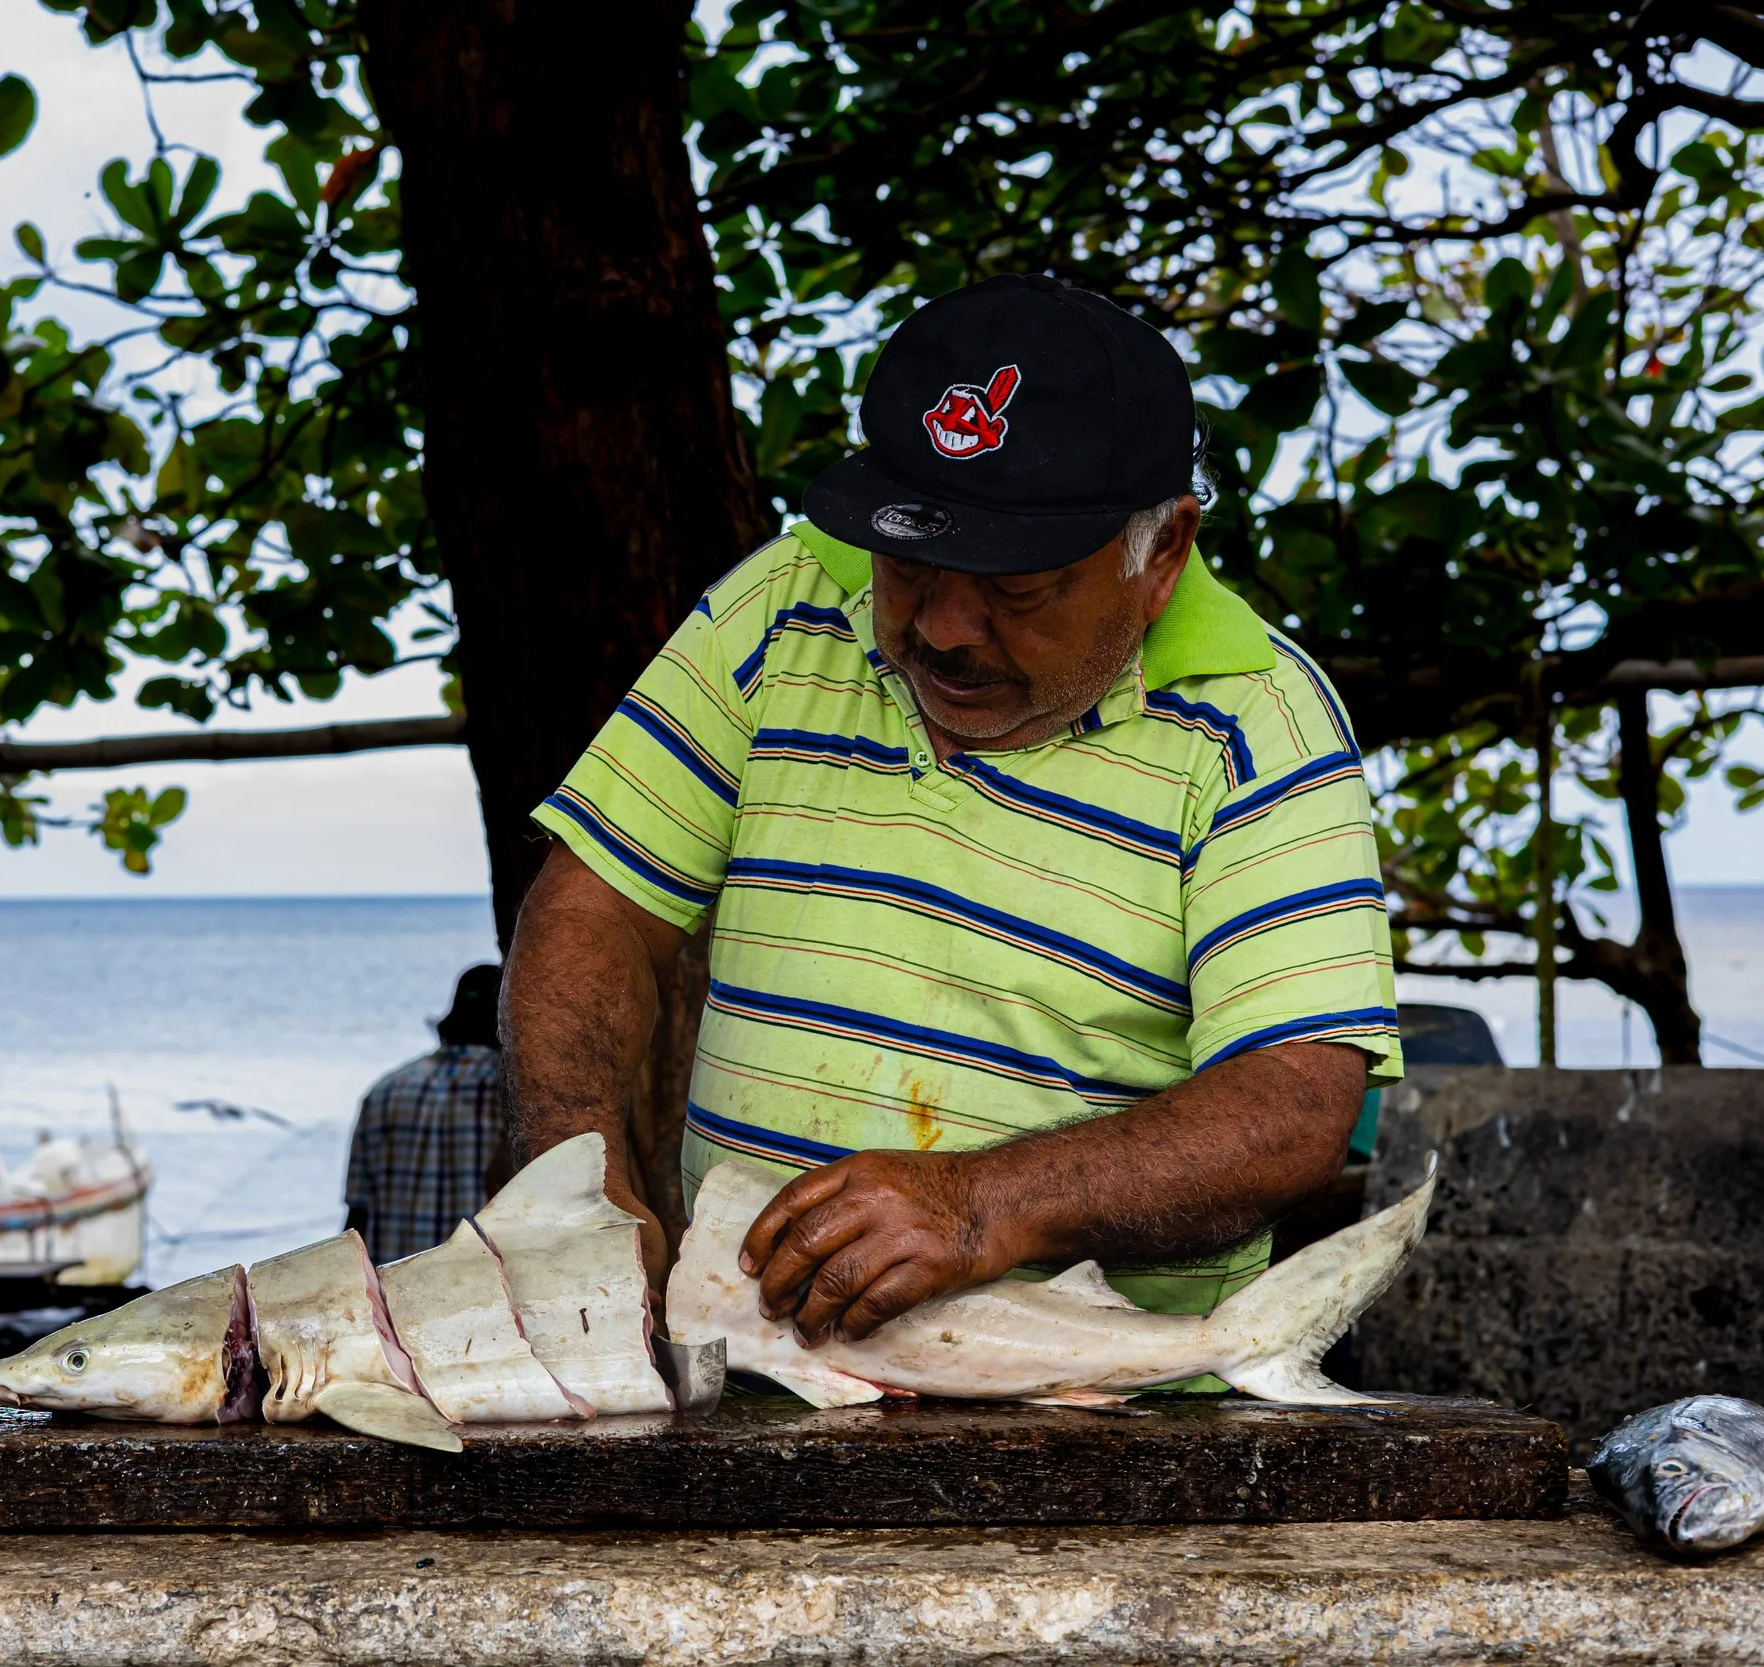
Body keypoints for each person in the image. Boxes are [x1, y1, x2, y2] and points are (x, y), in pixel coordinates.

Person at [504, 274, 1401, 1364]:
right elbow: (595, 910)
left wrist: (984, 1203)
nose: (941, 627)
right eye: (910, 562)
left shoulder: (1259, 723)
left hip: (1106, 1421)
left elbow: (1296, 1104)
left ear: (1160, 552)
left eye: (1015, 587)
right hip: (752, 1377)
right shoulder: (784, 604)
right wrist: (578, 1189)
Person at [343, 964, 509, 1262]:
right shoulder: (509, 1093)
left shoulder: (386, 1090)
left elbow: (357, 1217)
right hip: (477, 1283)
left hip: (394, 1289)